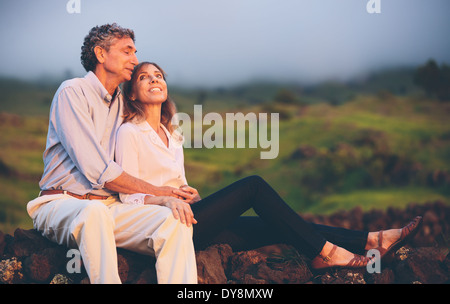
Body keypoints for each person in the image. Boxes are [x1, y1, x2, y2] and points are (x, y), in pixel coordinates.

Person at [115, 61, 423, 273]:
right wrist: (167, 199)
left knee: (279, 224)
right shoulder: (129, 132)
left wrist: (191, 197)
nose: (155, 79)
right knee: (253, 187)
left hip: (194, 221)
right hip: (165, 227)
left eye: (158, 75)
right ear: (131, 93)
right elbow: (129, 198)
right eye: (144, 77)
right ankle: (331, 253)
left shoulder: (173, 135)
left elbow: (178, 184)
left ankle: (369, 241)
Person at [26, 24, 198, 284]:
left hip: (110, 207)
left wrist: (176, 194)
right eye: (127, 51)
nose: (135, 59)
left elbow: (148, 136)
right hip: (61, 203)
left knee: (174, 220)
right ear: (101, 54)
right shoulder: (72, 92)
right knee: (93, 214)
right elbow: (98, 171)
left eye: (135, 52)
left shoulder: (121, 102)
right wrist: (163, 193)